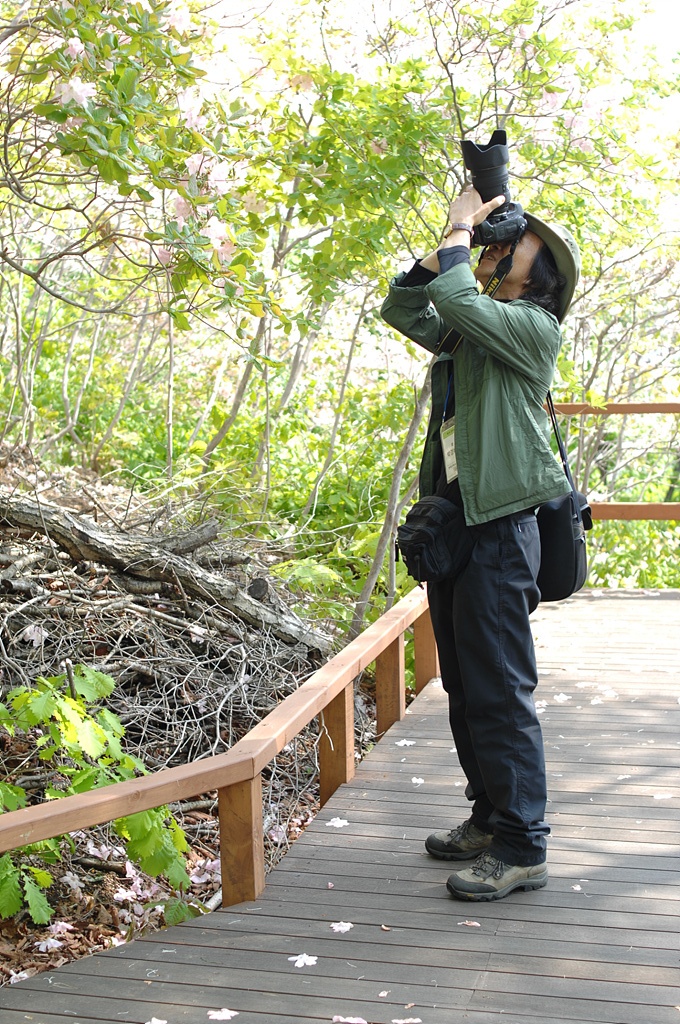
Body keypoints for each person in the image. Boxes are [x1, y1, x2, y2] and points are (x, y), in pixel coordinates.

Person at [381, 185, 581, 901]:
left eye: (512, 244)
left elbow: (461, 301)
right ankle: (489, 817)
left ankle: (524, 845)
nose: (498, 249)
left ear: (542, 272)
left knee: (500, 691)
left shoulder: (533, 327)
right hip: (458, 527)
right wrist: (449, 246)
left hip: (503, 525)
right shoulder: (474, 327)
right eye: (495, 244)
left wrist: (465, 226)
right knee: (465, 686)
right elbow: (403, 307)